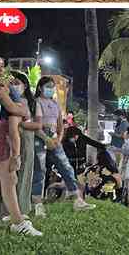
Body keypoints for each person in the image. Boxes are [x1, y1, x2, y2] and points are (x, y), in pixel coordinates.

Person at [31, 76, 96, 217]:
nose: (51, 89)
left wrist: (58, 139)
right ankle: (37, 204)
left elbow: (60, 125)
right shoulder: (37, 102)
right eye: (48, 86)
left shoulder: (55, 104)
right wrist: (46, 138)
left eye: (52, 86)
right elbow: (37, 125)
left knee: (66, 167)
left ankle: (77, 199)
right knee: (39, 170)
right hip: (40, 137)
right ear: (40, 87)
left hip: (54, 138)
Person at [0, 57, 42, 236]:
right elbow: (16, 110)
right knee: (8, 180)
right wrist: (16, 155)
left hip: (0, 137)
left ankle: (17, 221)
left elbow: (20, 112)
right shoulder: (0, 89)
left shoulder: (4, 88)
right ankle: (18, 222)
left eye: (1, 65)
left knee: (7, 179)